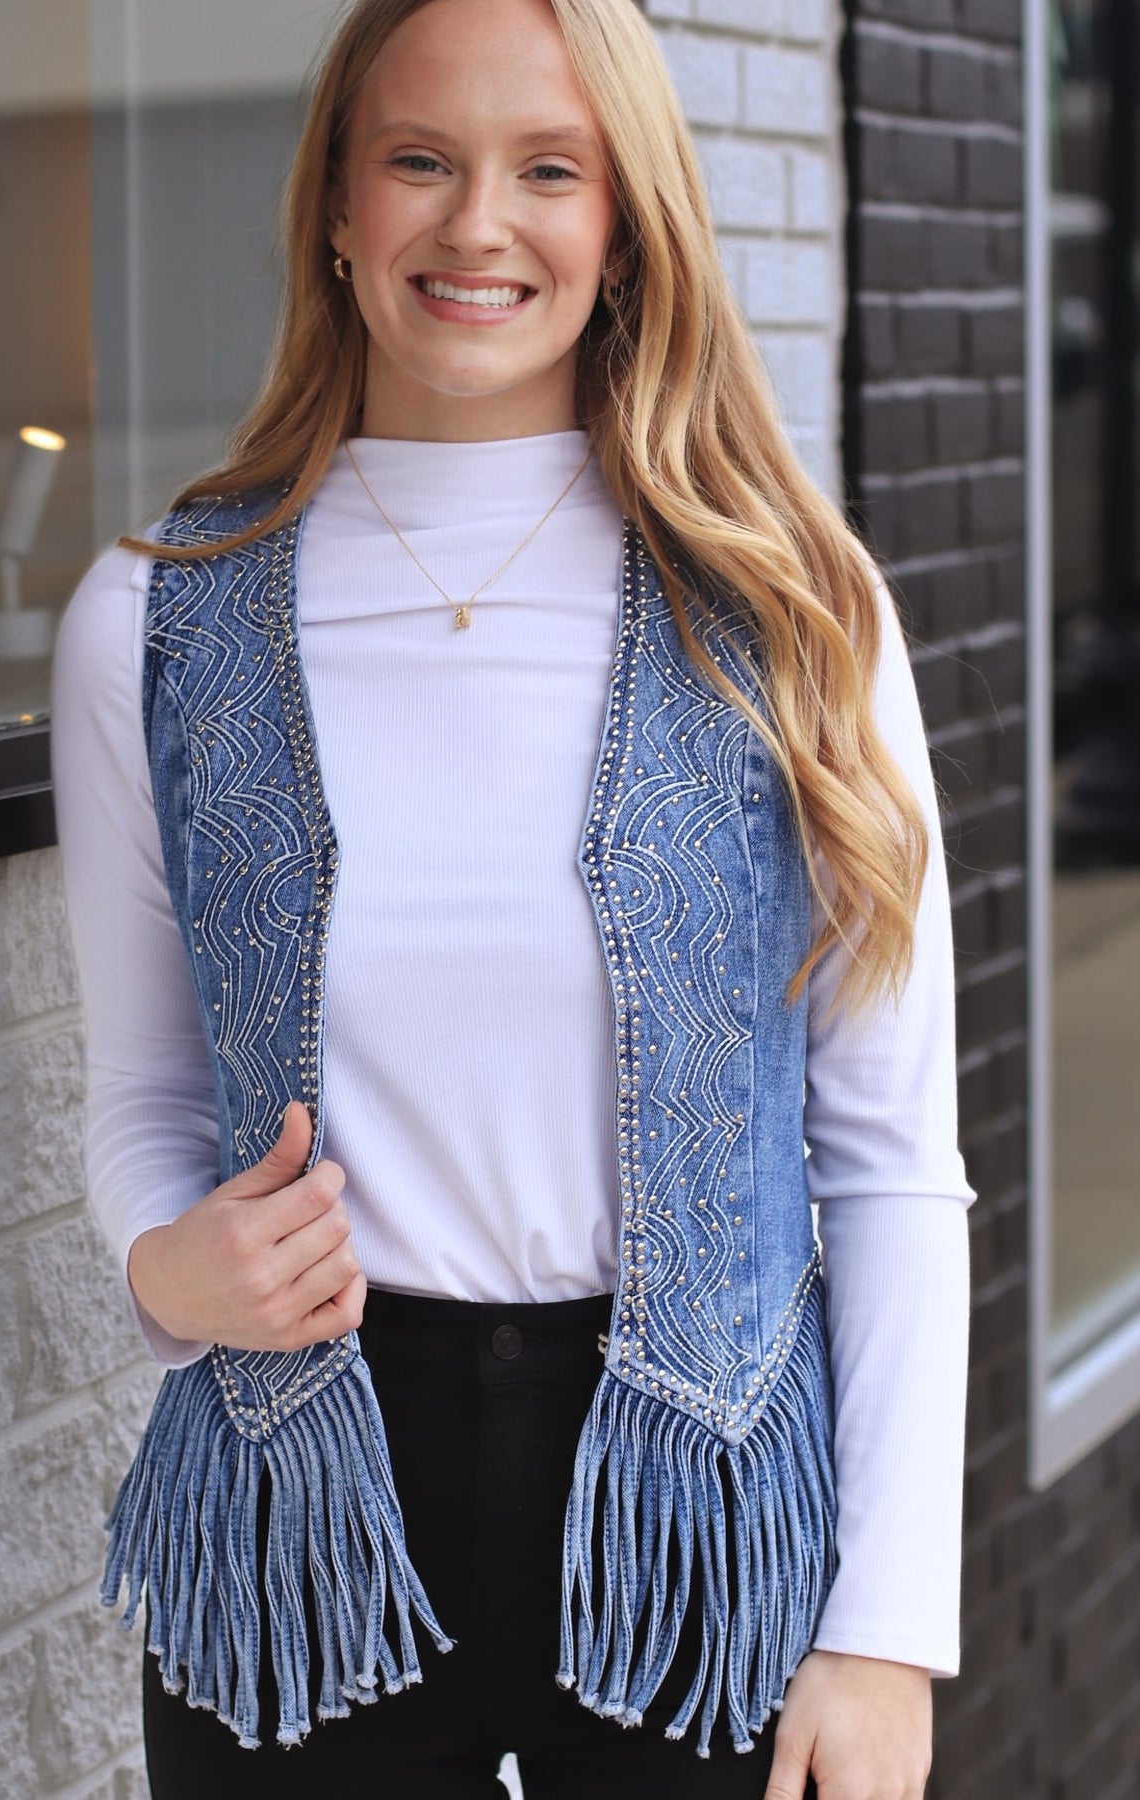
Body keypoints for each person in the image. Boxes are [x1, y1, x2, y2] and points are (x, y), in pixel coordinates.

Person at [51, 1, 974, 1795]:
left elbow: (884, 1161)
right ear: (336, 205)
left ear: (623, 225)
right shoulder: (155, 616)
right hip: (303, 1503)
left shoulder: (792, 613)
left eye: (549, 170)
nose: (477, 223)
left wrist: (883, 1630)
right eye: (420, 159)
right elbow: (146, 1095)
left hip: (701, 1506)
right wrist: (170, 1264)